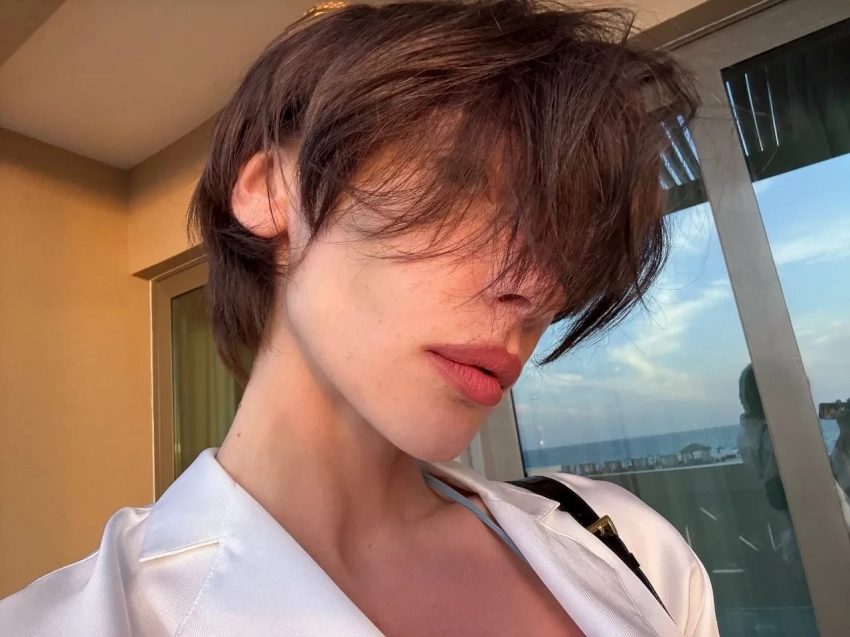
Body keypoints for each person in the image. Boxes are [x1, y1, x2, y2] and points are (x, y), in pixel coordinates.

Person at [0, 2, 718, 635]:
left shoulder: (631, 548)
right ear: (271, 190)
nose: (536, 289)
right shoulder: (83, 620)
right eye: (461, 182)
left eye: (564, 245)